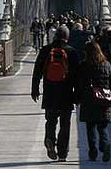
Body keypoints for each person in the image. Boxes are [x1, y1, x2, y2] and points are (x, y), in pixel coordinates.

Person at [31, 26, 81, 162]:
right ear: (67, 37)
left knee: (51, 120)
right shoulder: (71, 52)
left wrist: (34, 89)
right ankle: (63, 153)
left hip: (50, 92)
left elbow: (37, 71)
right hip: (66, 93)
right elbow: (77, 76)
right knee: (65, 123)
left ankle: (50, 139)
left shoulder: (46, 50)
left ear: (54, 36)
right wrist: (78, 95)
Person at [76, 41, 111, 162]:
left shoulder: (83, 65)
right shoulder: (106, 64)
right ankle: (104, 145)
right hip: (104, 101)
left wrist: (77, 98)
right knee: (103, 128)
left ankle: (93, 153)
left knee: (90, 129)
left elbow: (79, 85)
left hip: (88, 101)